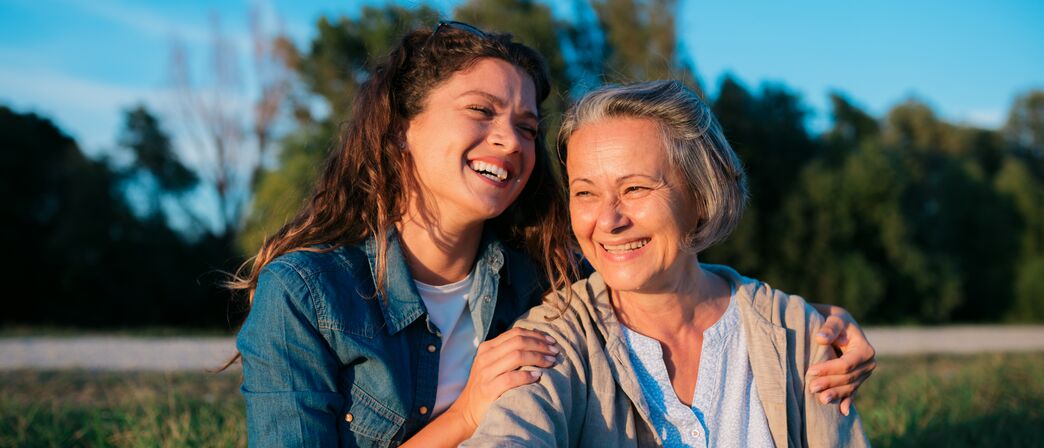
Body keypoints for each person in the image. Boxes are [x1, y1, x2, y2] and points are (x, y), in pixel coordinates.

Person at [233, 23, 874, 447]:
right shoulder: (307, 293)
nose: (511, 141)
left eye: (528, 126)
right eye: (481, 112)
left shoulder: (542, 276)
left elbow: (661, 286)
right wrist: (465, 415)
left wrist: (809, 324)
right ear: (402, 130)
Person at [465, 80, 870, 447]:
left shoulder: (798, 334)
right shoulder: (554, 337)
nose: (608, 221)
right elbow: (510, 434)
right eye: (585, 193)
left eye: (635, 188)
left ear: (701, 195)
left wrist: (803, 322)